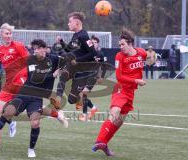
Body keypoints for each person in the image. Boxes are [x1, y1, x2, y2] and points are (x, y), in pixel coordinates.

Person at [0, 39, 68, 157]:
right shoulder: (30, 60)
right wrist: (52, 75)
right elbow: (36, 77)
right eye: (38, 49)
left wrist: (63, 69)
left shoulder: (53, 58)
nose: (42, 51)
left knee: (35, 123)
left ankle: (31, 149)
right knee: (8, 112)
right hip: (24, 93)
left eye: (43, 48)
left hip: (38, 96)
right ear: (34, 50)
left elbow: (66, 61)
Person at [92, 28, 147, 156]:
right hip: (120, 89)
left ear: (130, 43)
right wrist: (136, 81)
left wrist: (151, 57)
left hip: (130, 93)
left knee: (119, 121)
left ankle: (104, 144)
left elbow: (148, 58)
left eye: (123, 44)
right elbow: (119, 77)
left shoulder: (141, 53)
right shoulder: (119, 56)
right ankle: (99, 141)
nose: (121, 47)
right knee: (114, 113)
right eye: (119, 45)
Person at [50, 11, 97, 110]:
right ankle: (58, 100)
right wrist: (61, 42)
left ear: (77, 23)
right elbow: (68, 50)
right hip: (74, 67)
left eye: (70, 21)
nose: (68, 24)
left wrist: (78, 60)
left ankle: (89, 104)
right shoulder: (75, 35)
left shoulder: (84, 36)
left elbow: (93, 53)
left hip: (83, 71)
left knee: (72, 99)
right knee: (63, 75)